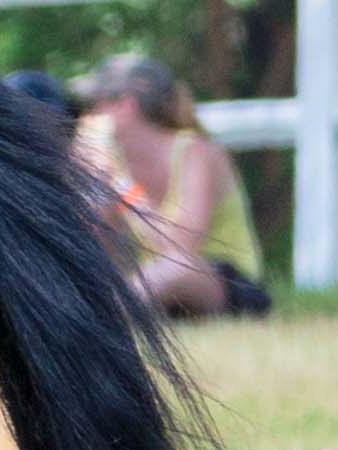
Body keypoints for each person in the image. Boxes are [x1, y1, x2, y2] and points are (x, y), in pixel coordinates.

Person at [73, 51, 272, 318]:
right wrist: (93, 184)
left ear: (126, 107)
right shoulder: (113, 161)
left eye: (96, 105)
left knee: (174, 268)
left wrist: (122, 187)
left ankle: (103, 319)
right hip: (160, 288)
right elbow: (95, 246)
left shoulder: (194, 152)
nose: (90, 115)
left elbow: (180, 246)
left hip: (227, 282)